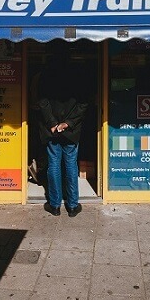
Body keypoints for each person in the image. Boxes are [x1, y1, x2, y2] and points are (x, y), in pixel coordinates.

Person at [36, 44, 88, 216]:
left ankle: (55, 205)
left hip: (51, 129)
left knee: (53, 164)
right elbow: (83, 103)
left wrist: (52, 122)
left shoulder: (46, 73)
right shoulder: (79, 74)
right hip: (70, 130)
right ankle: (72, 206)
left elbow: (42, 101)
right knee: (71, 164)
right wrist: (68, 123)